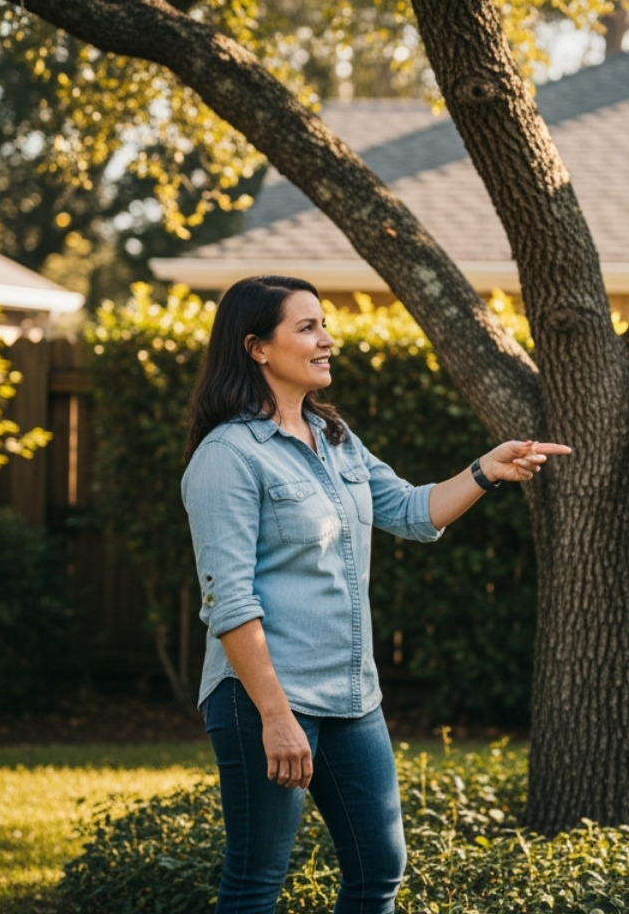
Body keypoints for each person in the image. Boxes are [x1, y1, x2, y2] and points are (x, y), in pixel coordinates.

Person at [181, 274, 569, 914]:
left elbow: (414, 512)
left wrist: (485, 469)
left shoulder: (334, 438)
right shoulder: (228, 457)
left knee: (378, 870)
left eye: (323, 324)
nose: (326, 339)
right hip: (267, 700)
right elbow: (230, 600)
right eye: (307, 328)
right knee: (255, 883)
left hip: (352, 697)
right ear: (256, 347)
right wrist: (277, 718)